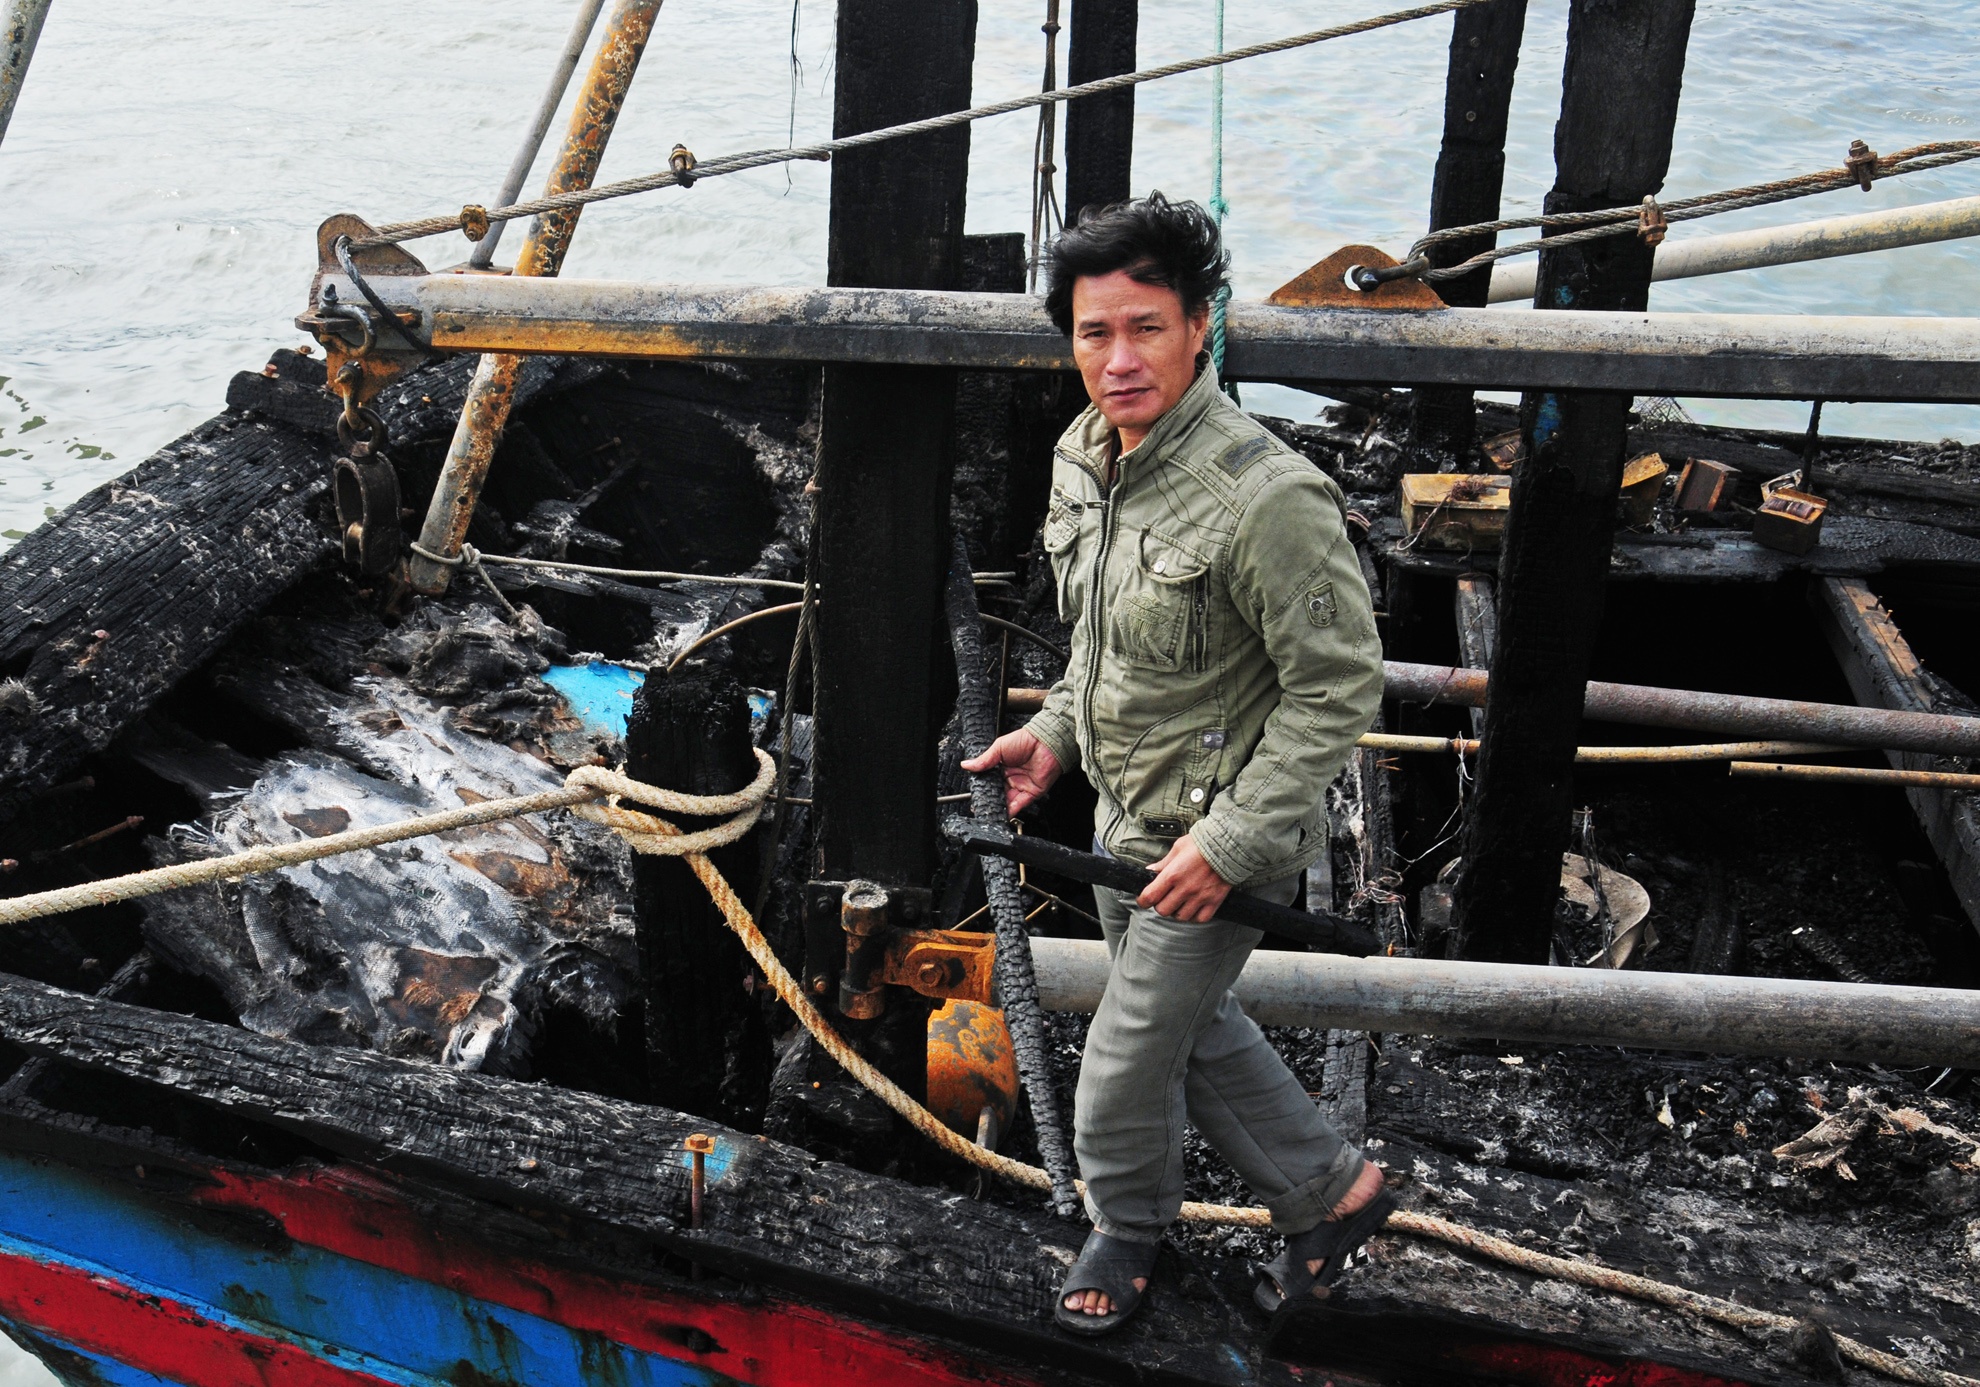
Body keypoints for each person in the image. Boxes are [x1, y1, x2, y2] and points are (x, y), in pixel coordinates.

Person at [962, 193, 1390, 1334]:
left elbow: (1339, 687)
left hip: (1224, 843)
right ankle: (1330, 1191)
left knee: (1114, 1063)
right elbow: (1103, 647)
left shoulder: (1268, 497)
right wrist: (1052, 737)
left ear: (1202, 325)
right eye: (1094, 332)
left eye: (1145, 327)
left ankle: (1128, 1224)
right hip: (1125, 819)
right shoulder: (1083, 460)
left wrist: (1232, 844)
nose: (1118, 360)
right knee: (1189, 1034)